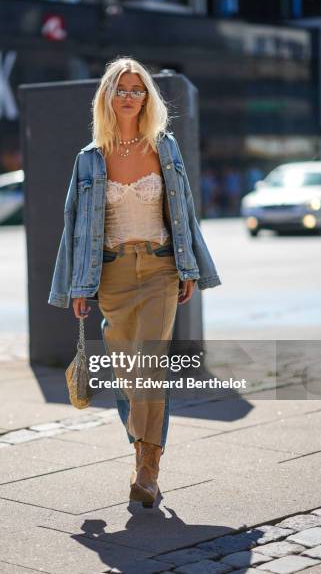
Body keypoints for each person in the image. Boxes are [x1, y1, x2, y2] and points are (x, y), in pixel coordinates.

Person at [48, 56, 221, 507]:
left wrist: (190, 269)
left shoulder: (165, 147)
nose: (129, 96)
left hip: (161, 267)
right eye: (121, 88)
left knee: (149, 365)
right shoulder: (88, 159)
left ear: (148, 97)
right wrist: (77, 288)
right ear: (108, 96)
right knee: (128, 370)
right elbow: (74, 227)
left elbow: (184, 211)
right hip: (112, 273)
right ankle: (141, 451)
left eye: (137, 89)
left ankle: (149, 469)